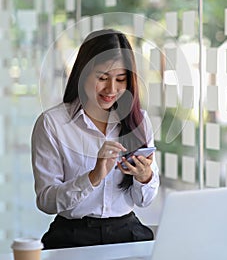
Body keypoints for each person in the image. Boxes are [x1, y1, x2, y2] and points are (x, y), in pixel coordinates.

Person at [31, 28, 160, 249]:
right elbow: (46, 200)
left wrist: (145, 176)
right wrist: (92, 177)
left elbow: (144, 200)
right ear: (82, 72)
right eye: (102, 78)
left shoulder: (138, 121)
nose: (112, 89)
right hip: (72, 238)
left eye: (121, 79)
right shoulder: (52, 124)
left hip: (127, 234)